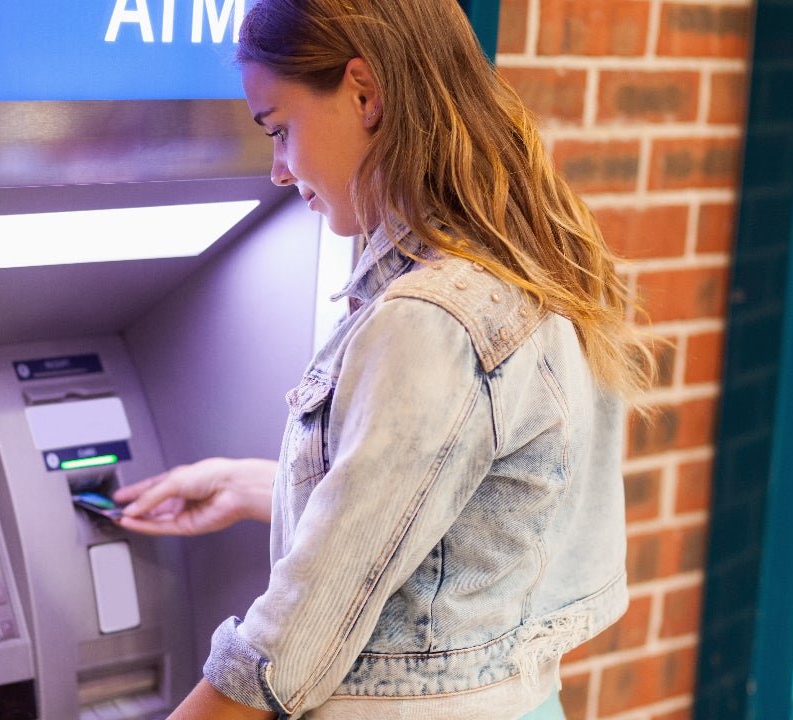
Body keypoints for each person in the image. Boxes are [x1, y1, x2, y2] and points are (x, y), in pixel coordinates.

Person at [112, 1, 657, 717]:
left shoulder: (431, 317)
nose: (278, 170)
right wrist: (254, 486)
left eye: (280, 130)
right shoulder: (539, 261)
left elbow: (288, 649)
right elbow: (471, 516)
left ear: (365, 93)